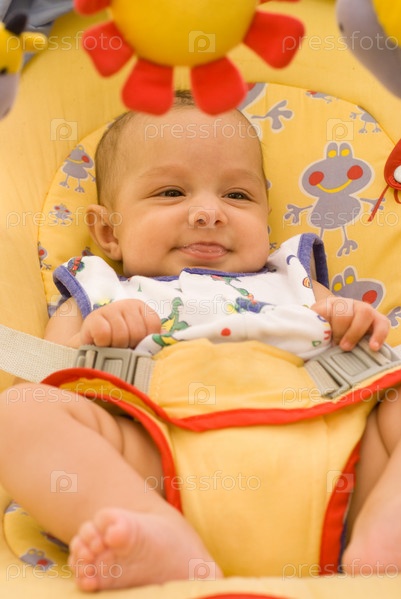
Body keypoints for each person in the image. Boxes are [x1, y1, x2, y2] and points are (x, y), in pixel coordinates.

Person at [0, 91, 398, 592]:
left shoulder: (292, 276)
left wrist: (351, 319)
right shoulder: (98, 289)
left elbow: (367, 349)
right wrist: (95, 338)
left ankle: (387, 522)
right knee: (20, 410)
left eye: (238, 196)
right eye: (171, 192)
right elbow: (49, 377)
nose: (210, 212)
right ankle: (149, 528)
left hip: (341, 467)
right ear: (108, 231)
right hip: (161, 467)